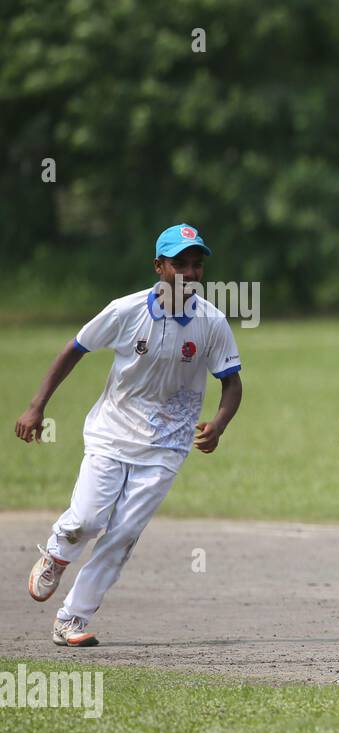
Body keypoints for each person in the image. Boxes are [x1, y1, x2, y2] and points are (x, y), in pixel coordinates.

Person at [16, 224, 243, 646]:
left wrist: (219, 423)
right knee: (87, 520)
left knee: (121, 535)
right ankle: (58, 553)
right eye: (180, 264)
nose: (190, 272)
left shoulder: (211, 322)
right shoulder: (125, 310)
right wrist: (36, 404)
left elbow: (232, 382)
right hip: (111, 434)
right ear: (159, 266)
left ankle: (72, 618)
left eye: (197, 264)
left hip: (167, 446)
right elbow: (75, 349)